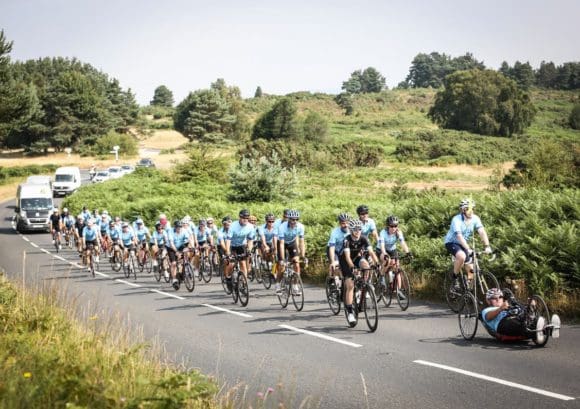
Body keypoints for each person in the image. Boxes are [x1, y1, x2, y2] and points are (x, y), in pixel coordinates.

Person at [444, 198, 492, 289]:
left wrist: (487, 246)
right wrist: (468, 249)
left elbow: (482, 232)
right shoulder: (456, 220)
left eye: (472, 209)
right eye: (468, 209)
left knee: (471, 269)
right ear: (463, 210)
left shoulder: (475, 218)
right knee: (462, 256)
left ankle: (468, 289)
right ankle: (455, 278)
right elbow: (459, 236)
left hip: (463, 243)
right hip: (452, 242)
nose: (471, 211)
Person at [482, 288, 561, 343]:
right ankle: (537, 331)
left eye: (500, 297)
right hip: (502, 324)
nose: (498, 299)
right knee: (519, 323)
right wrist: (500, 309)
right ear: (488, 301)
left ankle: (549, 329)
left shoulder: (507, 304)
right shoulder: (487, 310)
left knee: (527, 316)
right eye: (494, 298)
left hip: (517, 316)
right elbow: (488, 317)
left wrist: (528, 305)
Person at [339, 219, 379, 325]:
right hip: (346, 262)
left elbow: (371, 252)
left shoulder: (364, 238)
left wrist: (377, 263)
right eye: (355, 229)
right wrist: (352, 267)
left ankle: (364, 285)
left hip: (357, 258)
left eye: (359, 229)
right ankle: (350, 312)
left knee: (366, 266)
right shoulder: (347, 240)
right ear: (351, 230)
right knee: (350, 285)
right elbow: (347, 257)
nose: (358, 231)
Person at [377, 215, 412, 298]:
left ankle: (398, 290)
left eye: (395, 226)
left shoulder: (398, 232)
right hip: (381, 249)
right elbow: (382, 245)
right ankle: (381, 276)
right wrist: (385, 254)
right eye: (392, 226)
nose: (393, 228)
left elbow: (402, 243)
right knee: (387, 261)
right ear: (388, 226)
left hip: (392, 250)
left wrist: (408, 252)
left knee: (397, 268)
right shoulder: (383, 232)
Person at [276, 209, 306, 295]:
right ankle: (278, 284)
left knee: (296, 264)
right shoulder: (282, 227)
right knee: (282, 266)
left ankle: (295, 286)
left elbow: (301, 242)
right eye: (292, 219)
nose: (294, 221)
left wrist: (303, 256)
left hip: (292, 243)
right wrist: (282, 259)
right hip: (282, 243)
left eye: (296, 219)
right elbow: (281, 244)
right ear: (288, 219)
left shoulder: (301, 226)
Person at [224, 209, 255, 291]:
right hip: (232, 246)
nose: (245, 219)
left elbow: (250, 240)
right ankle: (228, 278)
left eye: (247, 218)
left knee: (243, 264)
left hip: (241, 245)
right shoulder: (233, 226)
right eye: (243, 217)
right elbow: (228, 240)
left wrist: (249, 250)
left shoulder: (250, 227)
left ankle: (244, 283)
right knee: (230, 264)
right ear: (239, 217)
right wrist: (228, 253)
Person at [327, 213, 351, 286]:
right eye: (343, 223)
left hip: (344, 250)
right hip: (334, 250)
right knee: (336, 264)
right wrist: (332, 261)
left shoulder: (351, 230)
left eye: (347, 223)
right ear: (340, 224)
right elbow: (332, 248)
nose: (346, 225)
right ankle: (332, 279)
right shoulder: (335, 232)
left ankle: (343, 280)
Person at [168, 220, 190, 290]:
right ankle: (174, 279)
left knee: (184, 257)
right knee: (174, 263)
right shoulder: (170, 232)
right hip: (171, 247)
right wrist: (176, 252)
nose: (179, 228)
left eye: (180, 227)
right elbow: (171, 244)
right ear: (175, 227)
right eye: (177, 227)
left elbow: (188, 240)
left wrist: (191, 247)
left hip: (180, 245)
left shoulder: (184, 231)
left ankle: (183, 270)